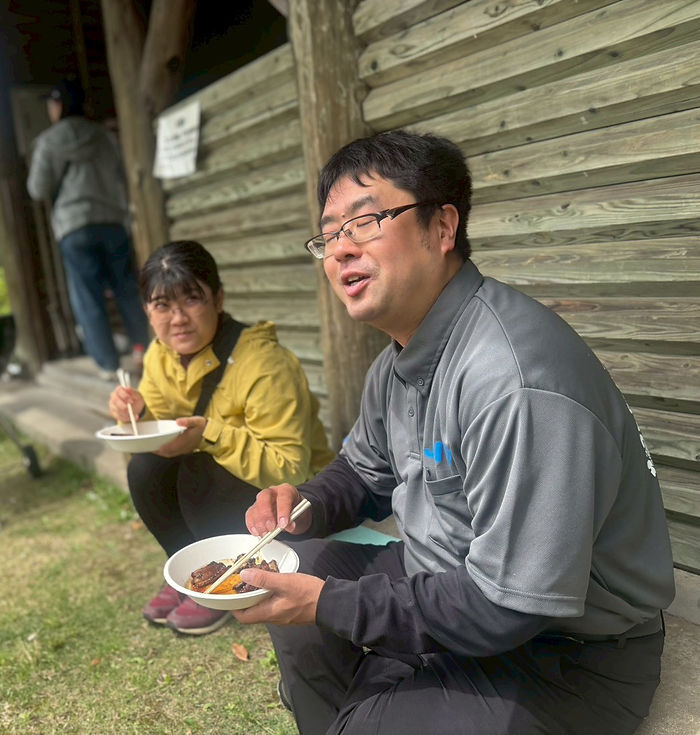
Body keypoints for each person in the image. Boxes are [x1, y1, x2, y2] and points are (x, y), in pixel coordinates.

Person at [231, 130, 675, 734]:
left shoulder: (515, 379)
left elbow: (506, 605)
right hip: (441, 578)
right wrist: (303, 506)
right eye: (330, 234)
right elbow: (365, 473)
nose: (340, 251)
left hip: (563, 648)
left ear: (442, 228)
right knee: (300, 566)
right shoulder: (397, 362)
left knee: (322, 611)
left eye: (365, 222)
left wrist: (330, 602)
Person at [108, 240, 334, 635]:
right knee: (145, 467)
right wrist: (139, 417)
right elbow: (163, 433)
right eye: (162, 305)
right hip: (227, 493)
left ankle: (228, 583)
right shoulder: (159, 357)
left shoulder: (264, 363)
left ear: (218, 299)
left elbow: (290, 466)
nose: (177, 318)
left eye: (191, 300)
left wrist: (210, 435)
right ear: (147, 311)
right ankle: (194, 576)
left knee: (199, 467)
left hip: (292, 504)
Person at [26, 78, 150, 380]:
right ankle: (145, 350)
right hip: (111, 221)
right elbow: (122, 174)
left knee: (87, 296)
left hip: (74, 226)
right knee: (127, 289)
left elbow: (37, 188)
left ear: (57, 106)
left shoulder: (49, 141)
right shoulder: (104, 137)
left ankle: (108, 365)